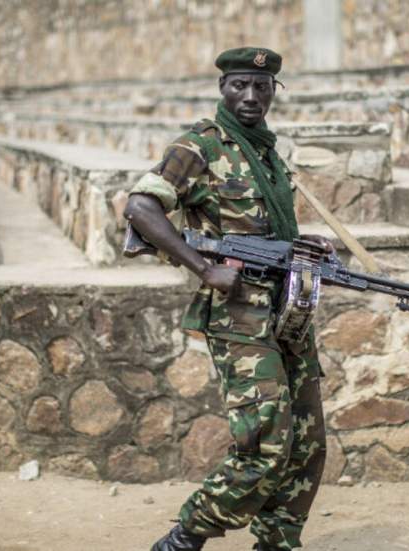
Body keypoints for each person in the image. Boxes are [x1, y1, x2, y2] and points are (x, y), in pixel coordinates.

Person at [123, 47, 328, 551]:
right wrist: (203, 267)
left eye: (262, 87)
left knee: (307, 443)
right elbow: (141, 207)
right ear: (222, 88)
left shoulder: (267, 154)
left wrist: (305, 247)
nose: (251, 96)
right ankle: (185, 536)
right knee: (266, 443)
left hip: (286, 311)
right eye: (240, 85)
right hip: (240, 317)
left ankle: (277, 542)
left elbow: (267, 228)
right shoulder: (200, 147)